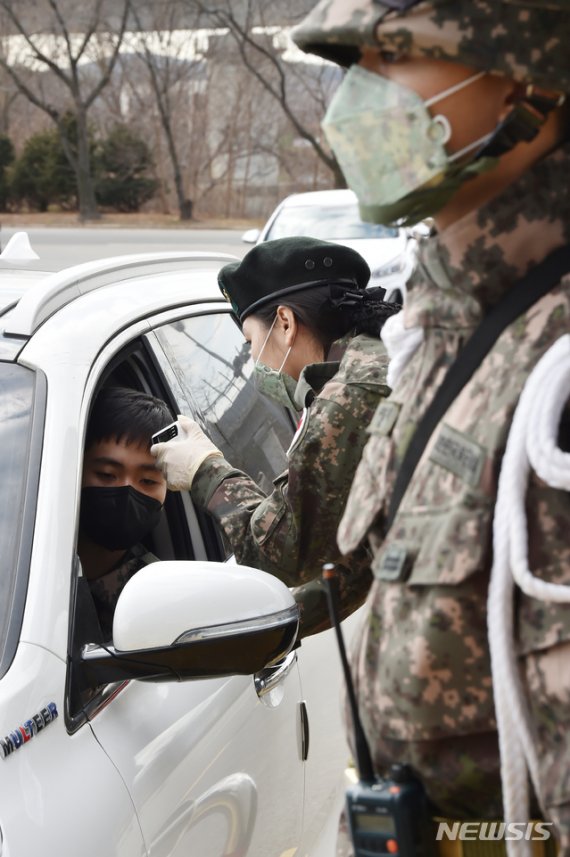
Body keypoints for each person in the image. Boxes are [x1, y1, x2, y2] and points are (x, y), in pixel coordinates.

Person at [291, 1, 570, 852]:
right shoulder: (440, 333)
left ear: (524, 77)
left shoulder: (554, 366)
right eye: (354, 67)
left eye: (393, 61)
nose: (356, 102)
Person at [152, 236, 396, 637]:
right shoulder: (379, 357)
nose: (252, 360)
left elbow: (276, 555)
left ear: (284, 323)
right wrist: (274, 627)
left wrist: (204, 471)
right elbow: (361, 555)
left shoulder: (349, 396)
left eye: (250, 343)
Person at [78, 386, 173, 641]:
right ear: (76, 468)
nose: (126, 492)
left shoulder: (156, 595)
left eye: (148, 481)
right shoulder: (24, 565)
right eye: (107, 474)